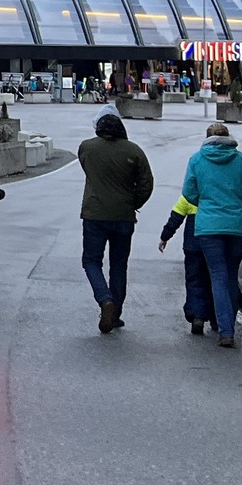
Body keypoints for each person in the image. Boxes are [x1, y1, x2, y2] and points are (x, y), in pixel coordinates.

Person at [177, 122, 242, 348]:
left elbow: (189, 193)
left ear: (207, 138)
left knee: (218, 275)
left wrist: (206, 202)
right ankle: (227, 326)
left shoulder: (197, 160)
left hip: (209, 227)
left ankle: (226, 331)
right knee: (231, 275)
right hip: (238, 226)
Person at [76, 111, 154, 333]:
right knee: (119, 264)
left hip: (94, 214)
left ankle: (104, 299)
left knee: (91, 261)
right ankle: (116, 313)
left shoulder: (86, 147)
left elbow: (88, 168)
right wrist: (133, 202)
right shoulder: (134, 151)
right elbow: (146, 183)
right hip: (124, 216)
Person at [156, 196, 209, 334]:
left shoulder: (189, 197)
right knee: (214, 280)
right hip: (214, 243)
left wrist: (165, 237)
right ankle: (217, 317)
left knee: (194, 280)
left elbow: (176, 217)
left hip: (193, 245)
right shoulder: (216, 195)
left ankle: (197, 316)